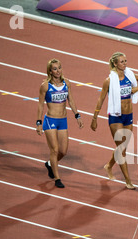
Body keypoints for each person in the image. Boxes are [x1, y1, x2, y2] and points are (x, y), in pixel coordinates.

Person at [90, 52, 138, 190]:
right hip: (115, 116)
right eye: (122, 61)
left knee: (123, 147)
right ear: (115, 64)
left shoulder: (129, 76)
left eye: (126, 61)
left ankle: (108, 165)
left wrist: (136, 88)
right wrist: (95, 118)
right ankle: (128, 180)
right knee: (121, 150)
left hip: (128, 115)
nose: (125, 64)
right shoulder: (109, 80)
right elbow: (101, 99)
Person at [37, 58, 83, 188]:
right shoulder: (45, 86)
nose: (58, 71)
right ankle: (57, 178)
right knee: (55, 150)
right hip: (50, 120)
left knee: (63, 151)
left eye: (59, 68)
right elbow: (40, 105)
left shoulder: (66, 83)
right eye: (55, 69)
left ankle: (50, 164)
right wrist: (39, 122)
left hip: (63, 121)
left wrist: (77, 115)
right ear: (50, 71)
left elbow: (71, 101)